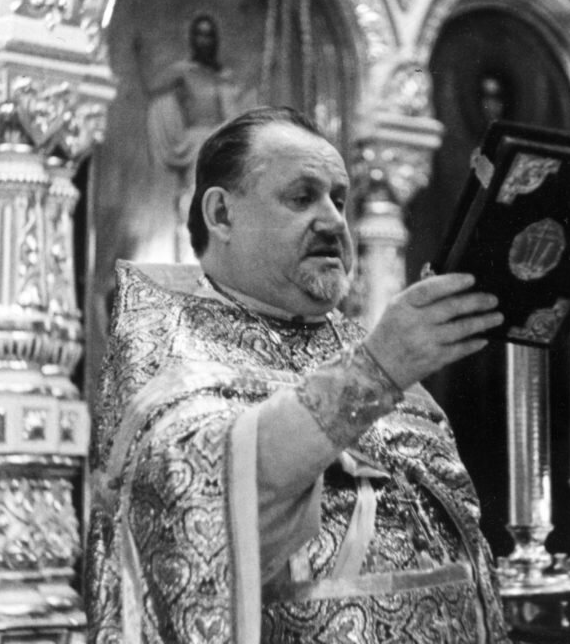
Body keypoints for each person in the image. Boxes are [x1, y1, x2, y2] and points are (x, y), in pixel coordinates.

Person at [87, 107, 510, 643]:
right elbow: (202, 484)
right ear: (221, 215)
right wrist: (377, 372)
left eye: (339, 199)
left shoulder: (362, 346)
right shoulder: (169, 347)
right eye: (302, 197)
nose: (334, 221)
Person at [145, 14, 243, 263]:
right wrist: (141, 56)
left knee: (224, 201)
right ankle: (190, 259)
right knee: (193, 198)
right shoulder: (183, 71)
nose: (204, 40)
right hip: (197, 145)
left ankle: (220, 261)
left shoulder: (225, 76)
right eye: (199, 34)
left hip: (223, 144)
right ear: (192, 39)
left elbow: (233, 111)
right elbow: (152, 86)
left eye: (208, 35)